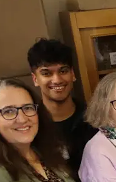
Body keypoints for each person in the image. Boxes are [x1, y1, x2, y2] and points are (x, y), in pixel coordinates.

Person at [27, 38, 95, 173]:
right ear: (35, 79)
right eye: (46, 73)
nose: (57, 80)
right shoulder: (29, 125)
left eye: (63, 71)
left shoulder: (94, 119)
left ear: (73, 74)